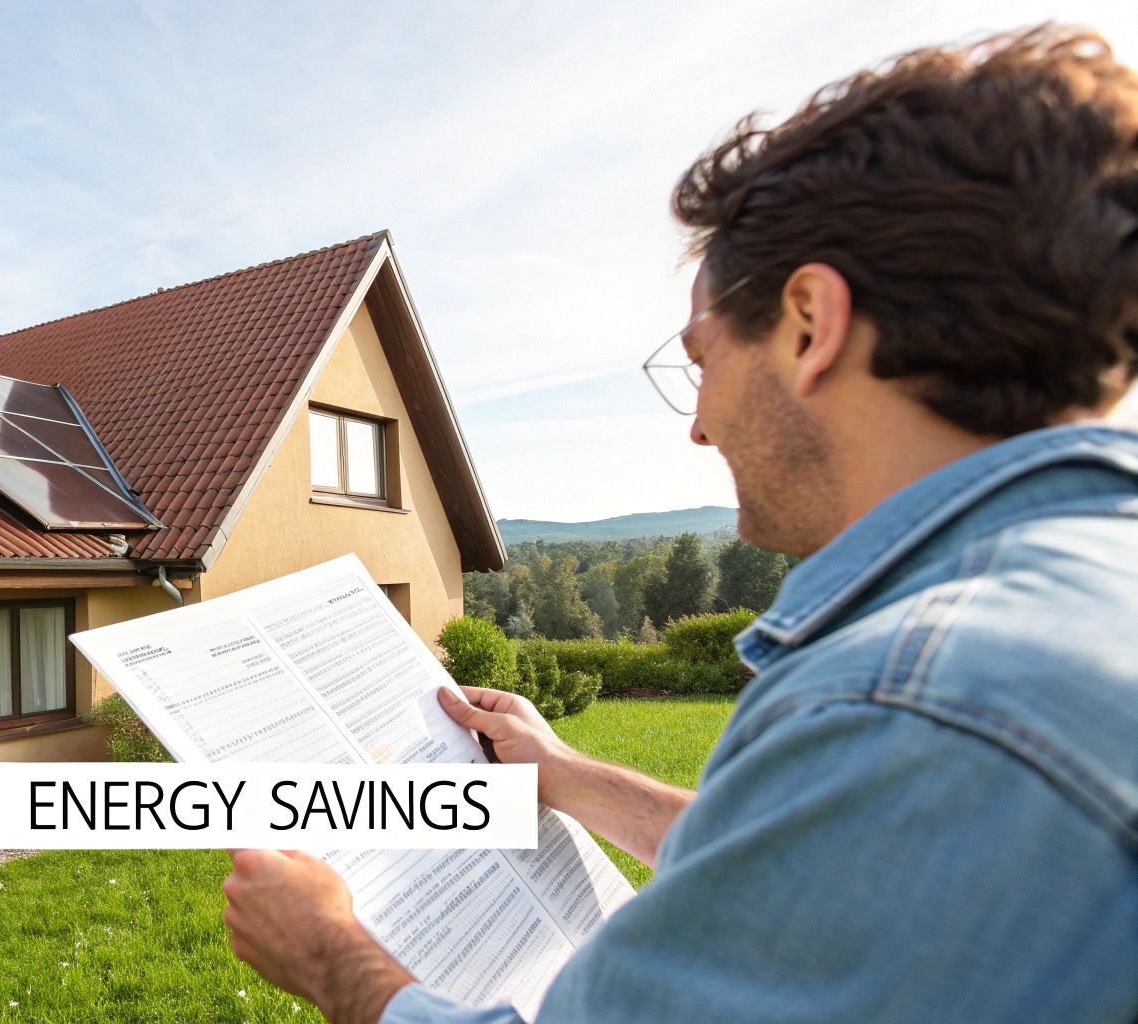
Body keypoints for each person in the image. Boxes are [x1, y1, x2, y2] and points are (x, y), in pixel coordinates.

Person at [221, 24, 1138, 1023]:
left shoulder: (908, 698)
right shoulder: (1071, 606)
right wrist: (567, 777)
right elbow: (823, 877)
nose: (699, 425)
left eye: (702, 359)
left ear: (809, 324)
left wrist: (331, 955)